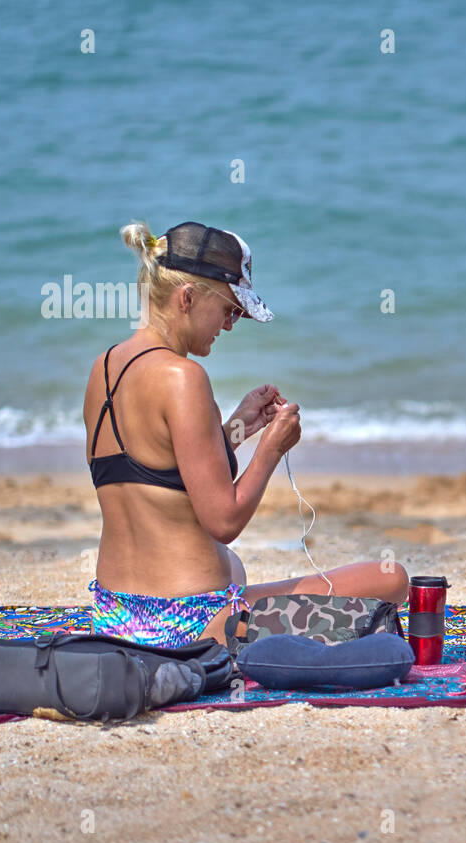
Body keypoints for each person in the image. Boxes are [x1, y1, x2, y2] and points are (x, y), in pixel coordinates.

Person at [83, 220, 408, 648]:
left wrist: (237, 429)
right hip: (187, 625)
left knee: (234, 568)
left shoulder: (103, 369)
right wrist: (271, 449)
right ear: (187, 297)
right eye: (230, 310)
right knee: (391, 578)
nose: (231, 324)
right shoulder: (184, 377)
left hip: (117, 617)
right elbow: (223, 520)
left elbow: (154, 471)